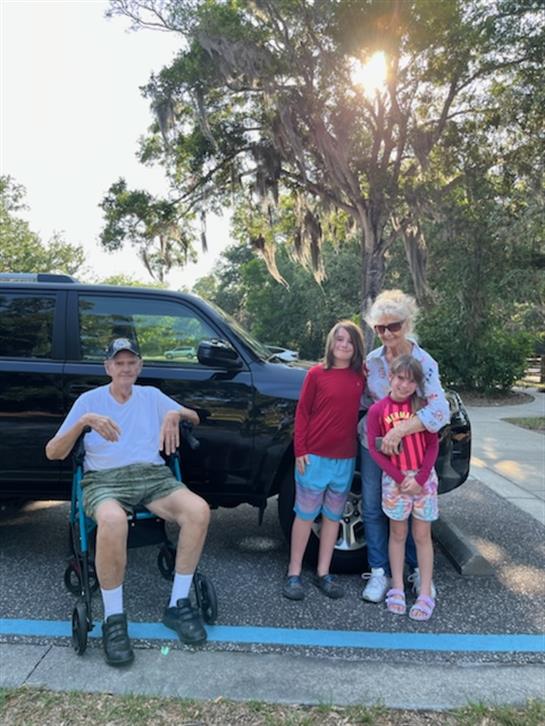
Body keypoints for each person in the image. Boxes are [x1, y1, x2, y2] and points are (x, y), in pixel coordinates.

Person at [45, 337, 211, 667]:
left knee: (198, 510)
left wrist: (175, 414)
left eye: (131, 362)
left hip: (151, 476)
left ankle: (178, 604)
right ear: (107, 367)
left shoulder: (150, 396)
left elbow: (195, 417)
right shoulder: (88, 401)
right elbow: (53, 452)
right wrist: (83, 422)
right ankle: (114, 620)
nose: (125, 368)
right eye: (118, 363)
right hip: (104, 480)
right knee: (112, 520)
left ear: (140, 366)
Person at [358, 290, 449, 603]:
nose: (386, 334)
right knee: (372, 506)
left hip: (414, 451)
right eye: (379, 328)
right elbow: (365, 400)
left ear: (407, 324)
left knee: (414, 515)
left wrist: (401, 430)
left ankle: (417, 573)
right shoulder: (372, 362)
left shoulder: (424, 363)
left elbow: (440, 412)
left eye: (393, 326)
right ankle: (380, 571)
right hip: (378, 450)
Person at [283, 321, 366, 601]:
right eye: (339, 339)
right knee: (305, 516)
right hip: (313, 458)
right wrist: (300, 450)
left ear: (356, 347)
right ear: (331, 342)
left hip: (344, 460)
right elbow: (303, 412)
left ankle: (323, 572)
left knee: (332, 517)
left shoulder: (360, 376)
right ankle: (294, 572)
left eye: (349, 341)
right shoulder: (317, 374)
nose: (343, 345)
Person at [367, 355, 439, 621]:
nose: (405, 385)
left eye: (411, 381)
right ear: (390, 378)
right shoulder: (378, 411)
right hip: (395, 481)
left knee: (422, 535)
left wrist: (419, 479)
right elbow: (376, 451)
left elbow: (433, 445)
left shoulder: (422, 407)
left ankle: (425, 593)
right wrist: (399, 477)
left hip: (423, 481)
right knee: (397, 534)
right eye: (400, 378)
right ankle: (396, 586)